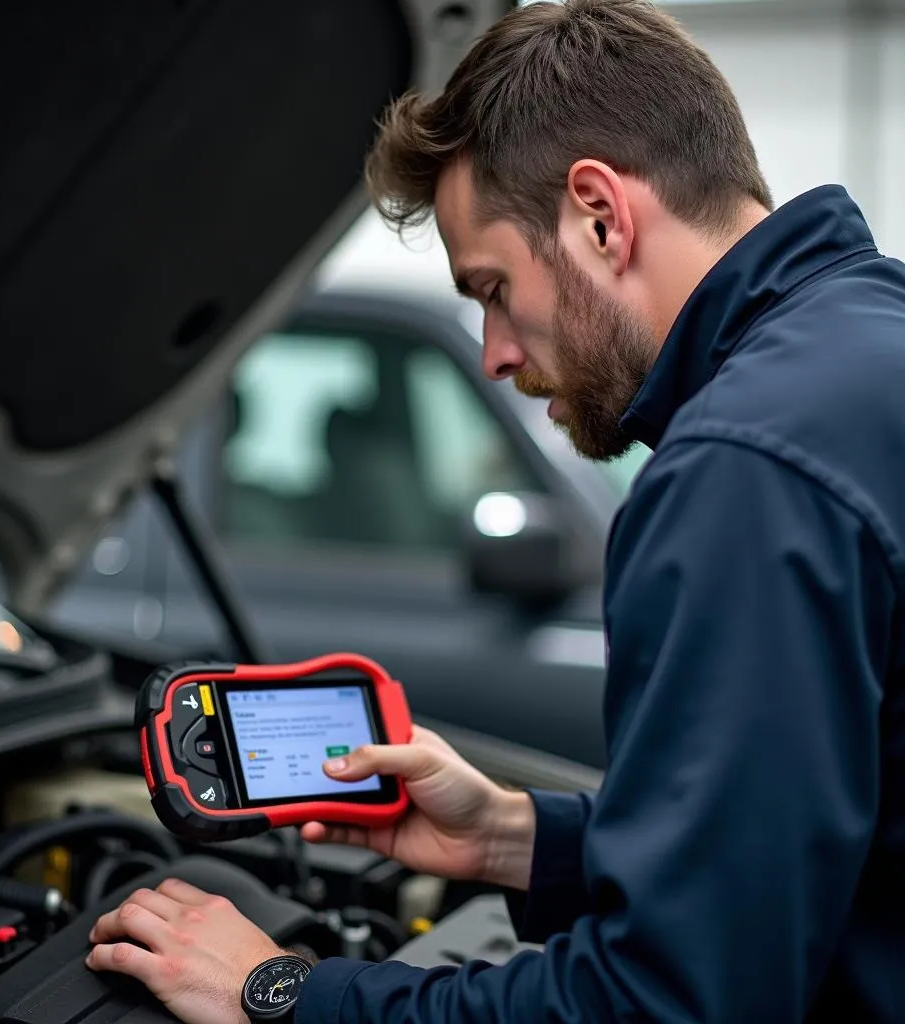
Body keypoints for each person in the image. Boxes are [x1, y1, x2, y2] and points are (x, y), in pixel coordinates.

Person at [85, 0, 905, 1020]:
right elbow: (817, 844)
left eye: (490, 288)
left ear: (600, 215)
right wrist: (516, 838)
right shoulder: (870, 337)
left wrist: (279, 988)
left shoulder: (741, 472)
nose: (494, 352)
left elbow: (663, 1003)